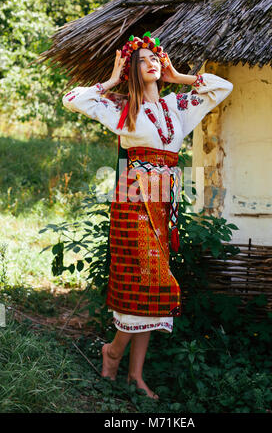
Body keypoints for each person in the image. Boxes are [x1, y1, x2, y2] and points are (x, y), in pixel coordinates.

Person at [62, 33, 233, 399]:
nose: (152, 62)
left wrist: (181, 77)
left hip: (163, 204)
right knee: (141, 281)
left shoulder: (178, 106)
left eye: (156, 57)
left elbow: (222, 87)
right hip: (134, 200)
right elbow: (73, 99)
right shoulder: (123, 109)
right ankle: (113, 354)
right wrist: (111, 79)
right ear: (131, 69)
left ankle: (134, 376)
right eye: (142, 60)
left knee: (152, 286)